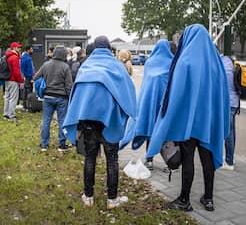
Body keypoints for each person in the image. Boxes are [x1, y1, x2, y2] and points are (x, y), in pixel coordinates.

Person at [146, 24, 230, 212]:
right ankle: (208, 199)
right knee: (208, 158)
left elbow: (176, 94)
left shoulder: (185, 61)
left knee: (188, 159)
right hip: (208, 121)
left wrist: (169, 120)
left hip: (188, 122)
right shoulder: (215, 62)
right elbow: (222, 93)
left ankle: (185, 199)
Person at [63, 36, 136, 209]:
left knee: (90, 158)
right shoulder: (117, 66)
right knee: (112, 160)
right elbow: (128, 91)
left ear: (95, 48)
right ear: (109, 48)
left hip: (88, 121)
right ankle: (112, 199)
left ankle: (88, 197)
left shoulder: (86, 66)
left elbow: (77, 93)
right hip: (110, 121)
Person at [120, 39, 174, 171]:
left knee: (150, 130)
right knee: (165, 132)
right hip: (166, 103)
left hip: (150, 102)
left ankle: (149, 160)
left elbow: (147, 84)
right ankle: (170, 162)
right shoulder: (172, 62)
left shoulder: (150, 62)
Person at [34, 46, 73, 151]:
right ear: (64, 54)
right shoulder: (65, 67)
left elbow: (35, 77)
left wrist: (42, 86)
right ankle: (61, 145)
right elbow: (69, 85)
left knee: (46, 120)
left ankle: (44, 144)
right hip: (62, 98)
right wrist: (71, 98)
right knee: (62, 121)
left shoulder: (46, 64)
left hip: (48, 96)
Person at [220, 53, 240, 171]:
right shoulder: (228, 60)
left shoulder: (220, 63)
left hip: (228, 103)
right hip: (235, 102)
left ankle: (229, 162)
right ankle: (231, 157)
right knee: (232, 131)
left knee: (228, 132)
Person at [3, 42, 24, 122]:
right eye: (18, 48)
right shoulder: (15, 57)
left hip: (7, 79)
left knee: (7, 97)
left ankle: (6, 114)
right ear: (14, 48)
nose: (19, 49)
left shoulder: (7, 56)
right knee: (13, 98)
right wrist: (21, 81)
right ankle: (11, 115)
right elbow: (16, 71)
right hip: (13, 80)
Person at [21, 46, 34, 110]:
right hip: (28, 77)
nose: (32, 50)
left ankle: (25, 105)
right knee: (28, 91)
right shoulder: (27, 58)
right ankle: (28, 106)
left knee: (26, 91)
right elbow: (29, 69)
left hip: (26, 76)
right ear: (28, 50)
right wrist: (30, 77)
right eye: (31, 49)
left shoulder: (24, 57)